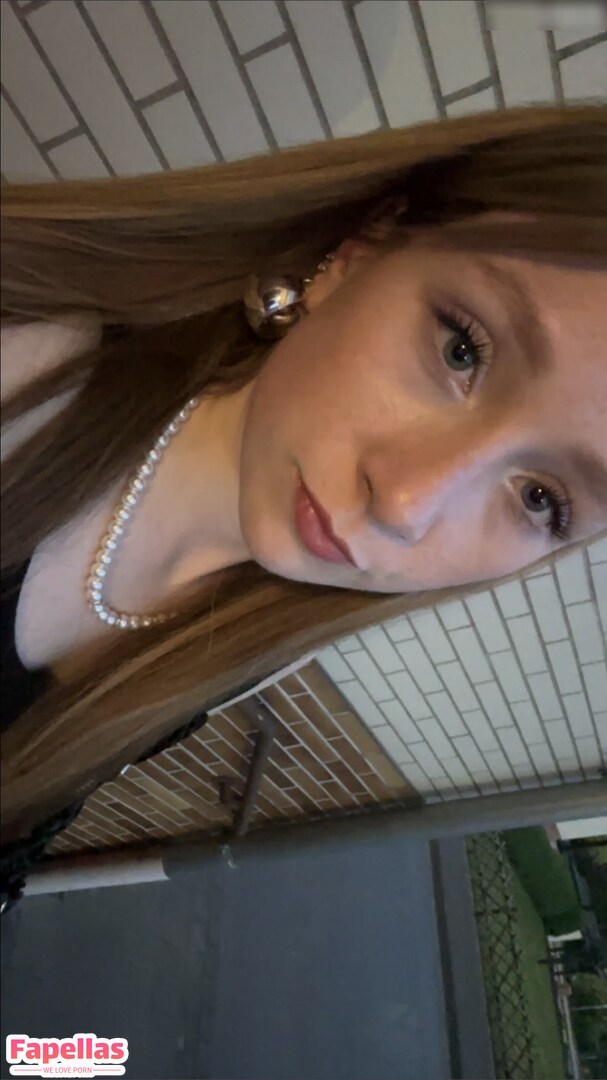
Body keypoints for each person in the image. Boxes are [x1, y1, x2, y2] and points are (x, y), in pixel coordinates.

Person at [2, 102, 606, 913]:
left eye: (539, 499)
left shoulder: (258, 629)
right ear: (357, 252)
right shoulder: (22, 369)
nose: (405, 503)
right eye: (460, 349)